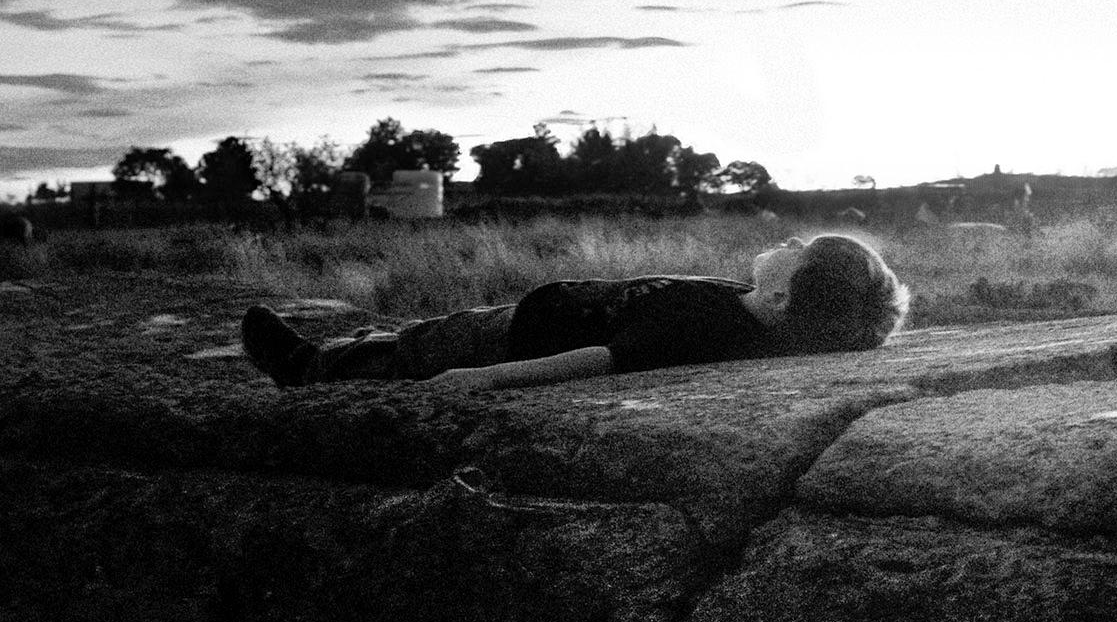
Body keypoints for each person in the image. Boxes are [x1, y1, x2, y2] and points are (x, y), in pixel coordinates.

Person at [240, 233, 909, 391]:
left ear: (783, 297)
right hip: (535, 316)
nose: (785, 242)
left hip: (517, 340)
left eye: (795, 251)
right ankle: (339, 355)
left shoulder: (707, 324)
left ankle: (307, 367)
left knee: (415, 351)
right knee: (412, 338)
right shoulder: (741, 316)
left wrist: (486, 379)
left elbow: (604, 360)